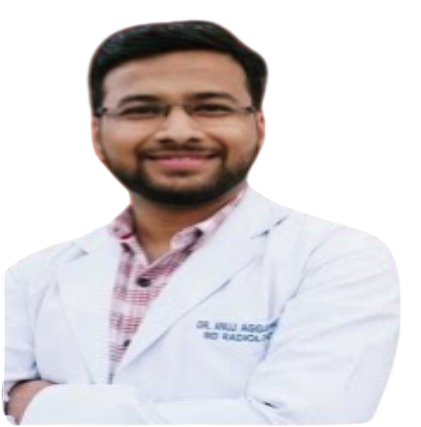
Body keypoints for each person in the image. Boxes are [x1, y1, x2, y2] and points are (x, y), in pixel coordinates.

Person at [3, 20, 399, 425]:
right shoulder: (32, 277)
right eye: (141, 110)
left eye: (212, 107)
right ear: (97, 132)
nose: (178, 131)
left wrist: (39, 406)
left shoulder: (337, 258)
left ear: (258, 127)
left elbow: (304, 421)